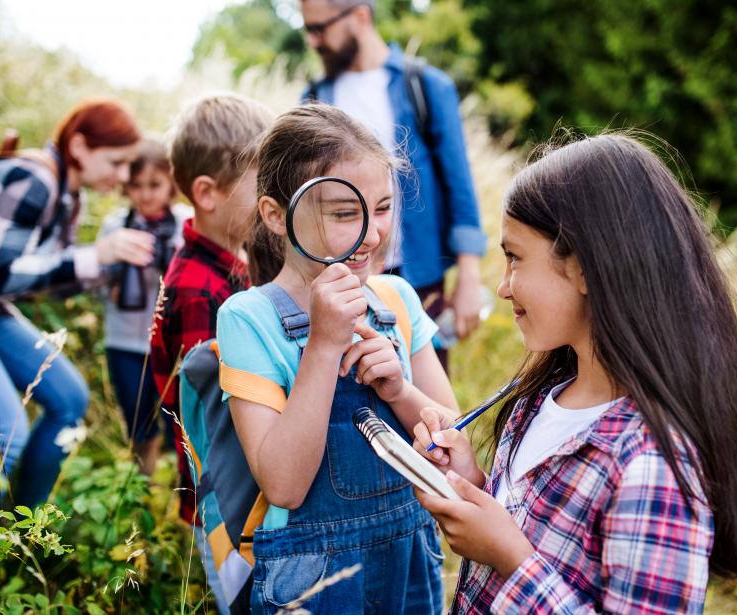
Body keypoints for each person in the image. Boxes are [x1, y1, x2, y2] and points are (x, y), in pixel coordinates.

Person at [412, 134, 737, 613]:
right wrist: (473, 482)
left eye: (514, 257)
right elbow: (551, 530)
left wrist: (511, 561)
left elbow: (528, 555)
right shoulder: (543, 395)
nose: (504, 287)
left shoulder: (653, 465)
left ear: (585, 269)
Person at [216, 104, 458, 614]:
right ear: (276, 216)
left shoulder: (395, 300)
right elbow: (284, 485)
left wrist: (400, 391)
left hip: (410, 564)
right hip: (312, 581)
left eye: (385, 207)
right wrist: (323, 347)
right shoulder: (248, 318)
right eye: (346, 213)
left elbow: (453, 453)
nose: (372, 234)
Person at [300, 0, 486, 369]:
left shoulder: (426, 86)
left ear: (359, 17)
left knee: (426, 390)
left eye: (319, 28)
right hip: (345, 273)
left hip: (421, 276)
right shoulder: (315, 100)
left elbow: (459, 183)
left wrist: (469, 276)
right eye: (308, 29)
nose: (313, 41)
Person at [148, 93, 273, 615]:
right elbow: (214, 414)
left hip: (237, 492)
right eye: (261, 185)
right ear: (207, 193)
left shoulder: (226, 264)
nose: (274, 199)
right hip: (225, 502)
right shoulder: (200, 290)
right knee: (245, 603)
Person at [0, 99, 148, 508]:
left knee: (69, 400)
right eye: (115, 163)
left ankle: (24, 527)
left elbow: (45, 279)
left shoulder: (68, 197)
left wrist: (108, 268)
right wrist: (94, 255)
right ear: (79, 146)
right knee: (8, 443)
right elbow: (2, 272)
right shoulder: (36, 180)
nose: (121, 177)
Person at [99, 139, 191, 476]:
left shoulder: (185, 223)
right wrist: (119, 275)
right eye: (135, 186)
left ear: (171, 184)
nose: (145, 194)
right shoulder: (116, 226)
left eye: (155, 185)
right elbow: (97, 284)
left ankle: (183, 496)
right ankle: (142, 489)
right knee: (139, 422)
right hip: (125, 341)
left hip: (173, 344)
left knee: (180, 427)